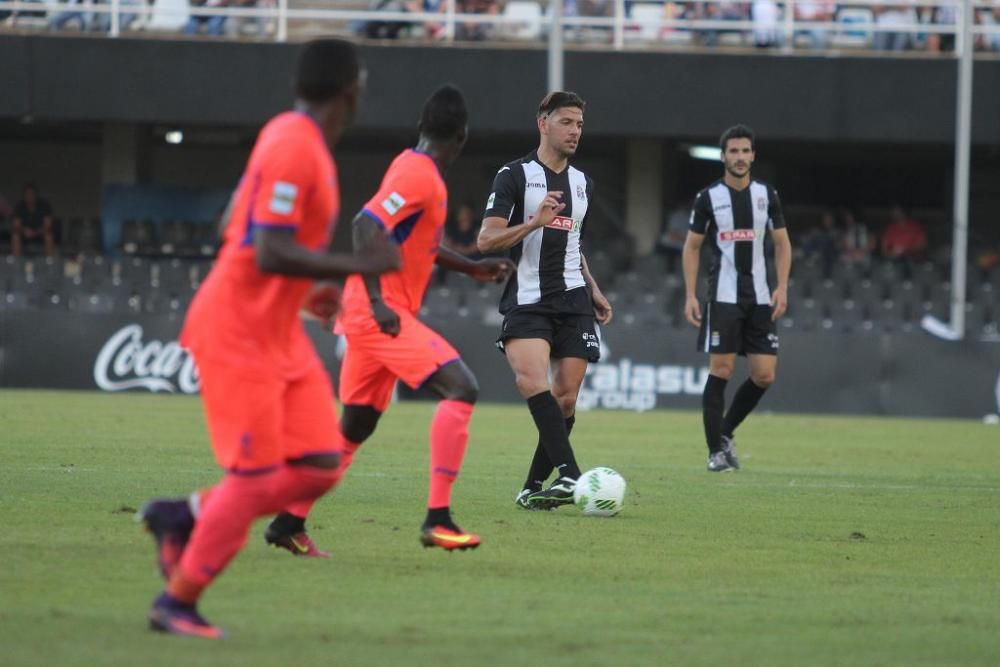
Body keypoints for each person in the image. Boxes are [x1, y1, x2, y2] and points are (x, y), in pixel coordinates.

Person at [135, 39, 400, 639]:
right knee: (256, 480)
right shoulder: (293, 146)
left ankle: (185, 515)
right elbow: (268, 246)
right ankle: (177, 602)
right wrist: (354, 266)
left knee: (320, 465)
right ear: (349, 90)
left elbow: (234, 223)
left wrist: (308, 292)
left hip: (276, 333)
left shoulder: (293, 138)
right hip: (237, 331)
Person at [265, 85, 515, 556]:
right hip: (379, 315)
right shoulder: (421, 176)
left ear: (423, 127)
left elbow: (410, 242)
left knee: (354, 429)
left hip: (371, 316)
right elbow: (366, 225)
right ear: (461, 137)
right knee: (462, 388)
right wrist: (379, 303)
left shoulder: (411, 168)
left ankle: (287, 522)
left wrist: (470, 266)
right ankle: (438, 519)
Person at [477, 91, 613, 510]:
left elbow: (573, 242)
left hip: (574, 299)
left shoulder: (583, 184)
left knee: (566, 398)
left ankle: (532, 487)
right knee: (533, 383)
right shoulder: (513, 175)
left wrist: (593, 287)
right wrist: (534, 221)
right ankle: (571, 475)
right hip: (529, 300)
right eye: (567, 122)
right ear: (544, 123)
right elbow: (486, 240)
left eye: (579, 124)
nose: (575, 131)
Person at [682, 124, 792, 473]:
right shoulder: (708, 197)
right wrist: (690, 294)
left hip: (760, 296)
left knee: (764, 375)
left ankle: (725, 432)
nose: (740, 157)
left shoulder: (767, 194)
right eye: (734, 151)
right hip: (724, 296)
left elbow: (782, 243)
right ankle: (715, 452)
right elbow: (692, 246)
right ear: (723, 156)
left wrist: (783, 286)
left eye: (746, 151)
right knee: (722, 370)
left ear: (753, 155)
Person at [12, 184, 56, 257]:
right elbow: (16, 225)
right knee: (15, 236)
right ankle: (17, 261)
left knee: (49, 236)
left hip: (41, 235)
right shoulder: (19, 206)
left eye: (32, 194)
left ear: (36, 195)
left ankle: (49, 261)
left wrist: (36, 232)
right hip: (24, 236)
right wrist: (24, 230)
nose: (30, 196)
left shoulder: (44, 206)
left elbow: (48, 225)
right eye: (27, 194)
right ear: (24, 196)